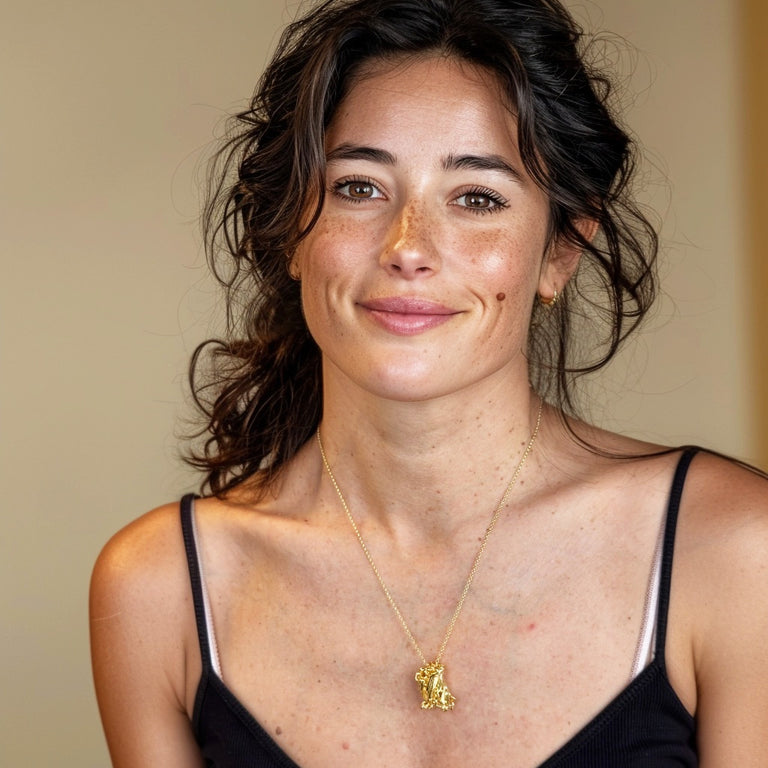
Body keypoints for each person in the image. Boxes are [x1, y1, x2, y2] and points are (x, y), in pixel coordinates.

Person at [89, 0, 768, 765]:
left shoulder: (738, 553)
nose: (409, 247)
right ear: (291, 233)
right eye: (358, 187)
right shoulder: (158, 588)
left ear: (561, 251)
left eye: (476, 198)